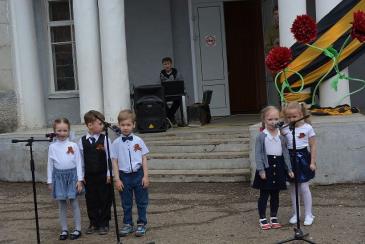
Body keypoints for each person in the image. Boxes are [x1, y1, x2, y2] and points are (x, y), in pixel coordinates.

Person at [252, 106, 294, 230]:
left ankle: (274, 216)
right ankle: (262, 218)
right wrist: (261, 170)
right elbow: (258, 154)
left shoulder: (281, 135)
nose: (273, 122)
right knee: (264, 194)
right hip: (267, 167)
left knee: (275, 194)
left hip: (279, 166)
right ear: (264, 120)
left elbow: (285, 153)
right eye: (270, 119)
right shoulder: (261, 136)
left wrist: (289, 169)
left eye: (276, 119)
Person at [111, 109, 150, 237]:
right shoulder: (115, 143)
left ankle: (141, 224)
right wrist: (117, 179)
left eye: (128, 125)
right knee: (126, 202)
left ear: (133, 124)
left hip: (138, 175)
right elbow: (115, 162)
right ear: (119, 125)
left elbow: (144, 158)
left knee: (141, 201)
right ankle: (128, 224)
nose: (125, 128)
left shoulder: (138, 140)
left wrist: (145, 176)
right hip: (124, 176)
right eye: (123, 125)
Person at [47, 118, 83, 240]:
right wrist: (50, 181)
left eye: (65, 130)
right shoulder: (52, 147)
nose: (62, 133)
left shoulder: (73, 145)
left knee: (74, 202)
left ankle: (78, 229)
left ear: (68, 131)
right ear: (54, 131)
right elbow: (50, 164)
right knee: (61, 204)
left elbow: (78, 163)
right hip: (58, 177)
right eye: (59, 130)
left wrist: (80, 180)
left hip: (72, 176)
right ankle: (64, 229)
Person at [281, 102, 317, 226]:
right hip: (290, 159)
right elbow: (283, 145)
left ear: (301, 114)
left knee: (304, 187)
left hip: (303, 158)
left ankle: (308, 214)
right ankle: (296, 214)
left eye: (294, 116)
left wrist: (312, 162)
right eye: (289, 117)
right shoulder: (285, 128)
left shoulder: (307, 128)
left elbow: (313, 146)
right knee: (293, 188)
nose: (292, 119)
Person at [78, 110, 112, 235]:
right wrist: (81, 176)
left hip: (103, 174)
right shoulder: (81, 141)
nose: (102, 126)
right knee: (91, 199)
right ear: (90, 125)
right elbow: (80, 160)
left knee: (105, 198)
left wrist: (110, 173)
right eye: (99, 123)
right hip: (89, 176)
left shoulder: (105, 139)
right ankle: (93, 222)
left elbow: (110, 157)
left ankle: (104, 222)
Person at [159, 57, 184, 125]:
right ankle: (171, 117)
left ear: (171, 64)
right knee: (161, 101)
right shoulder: (161, 74)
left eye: (168, 64)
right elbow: (161, 84)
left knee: (179, 100)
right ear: (163, 65)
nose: (166, 66)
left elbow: (180, 83)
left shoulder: (176, 73)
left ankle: (169, 116)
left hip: (176, 93)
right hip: (166, 94)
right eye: (165, 64)